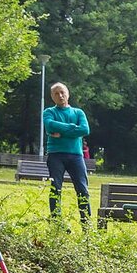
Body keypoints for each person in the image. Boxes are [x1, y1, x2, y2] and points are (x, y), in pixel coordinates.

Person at [43, 82, 91, 224]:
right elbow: (50, 125)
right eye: (56, 93)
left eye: (62, 92)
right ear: (52, 97)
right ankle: (57, 223)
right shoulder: (49, 112)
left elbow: (85, 130)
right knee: (55, 188)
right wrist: (72, 129)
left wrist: (62, 133)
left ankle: (86, 225)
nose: (60, 95)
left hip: (76, 156)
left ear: (68, 94)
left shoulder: (78, 113)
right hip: (56, 155)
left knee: (82, 189)